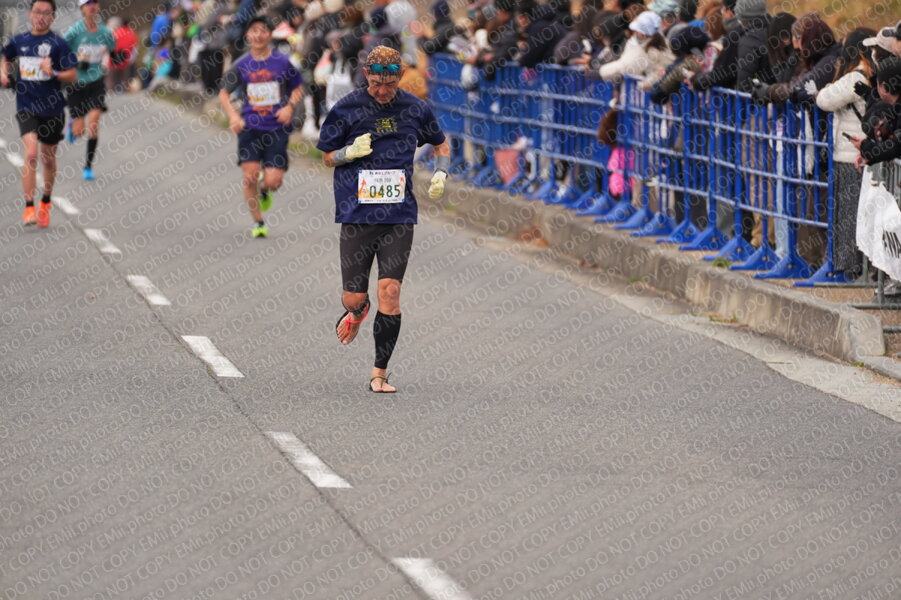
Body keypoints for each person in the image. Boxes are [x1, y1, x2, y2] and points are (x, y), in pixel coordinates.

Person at [317, 46, 450, 393]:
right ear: (366, 76)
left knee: (390, 292)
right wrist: (348, 153)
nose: (382, 91)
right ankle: (358, 311)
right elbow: (327, 156)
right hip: (357, 214)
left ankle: (380, 372)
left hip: (398, 215)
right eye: (376, 83)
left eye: (389, 84)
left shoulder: (415, 108)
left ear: (400, 77)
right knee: (353, 298)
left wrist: (441, 172)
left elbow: (441, 145)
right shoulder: (347, 107)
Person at [219, 15, 303, 238]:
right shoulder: (241, 64)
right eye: (254, 31)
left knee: (273, 180)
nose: (258, 35)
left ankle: (265, 190)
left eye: (263, 30)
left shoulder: (282, 62)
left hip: (276, 127)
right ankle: (258, 222)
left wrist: (290, 107)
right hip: (250, 127)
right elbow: (224, 93)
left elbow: (297, 87)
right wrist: (233, 117)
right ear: (248, 35)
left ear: (270, 34)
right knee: (250, 175)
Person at [1, 0, 77, 228]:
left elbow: (72, 75)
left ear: (53, 17)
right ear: (30, 14)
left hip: (53, 109)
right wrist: (4, 72)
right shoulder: (19, 40)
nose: (41, 17)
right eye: (37, 12)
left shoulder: (59, 44)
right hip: (26, 107)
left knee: (48, 159)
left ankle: (45, 202)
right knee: (31, 154)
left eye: (46, 13)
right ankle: (29, 207)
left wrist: (53, 72)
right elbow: (5, 57)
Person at [64, 0, 115, 180]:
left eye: (95, 3)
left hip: (96, 83)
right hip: (76, 84)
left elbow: (113, 51)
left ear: (98, 7)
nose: (92, 6)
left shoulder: (105, 32)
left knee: (93, 124)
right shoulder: (74, 31)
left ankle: (88, 167)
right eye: (88, 3)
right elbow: (61, 51)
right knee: (80, 131)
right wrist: (75, 62)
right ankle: (73, 124)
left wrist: (118, 56)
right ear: (82, 9)